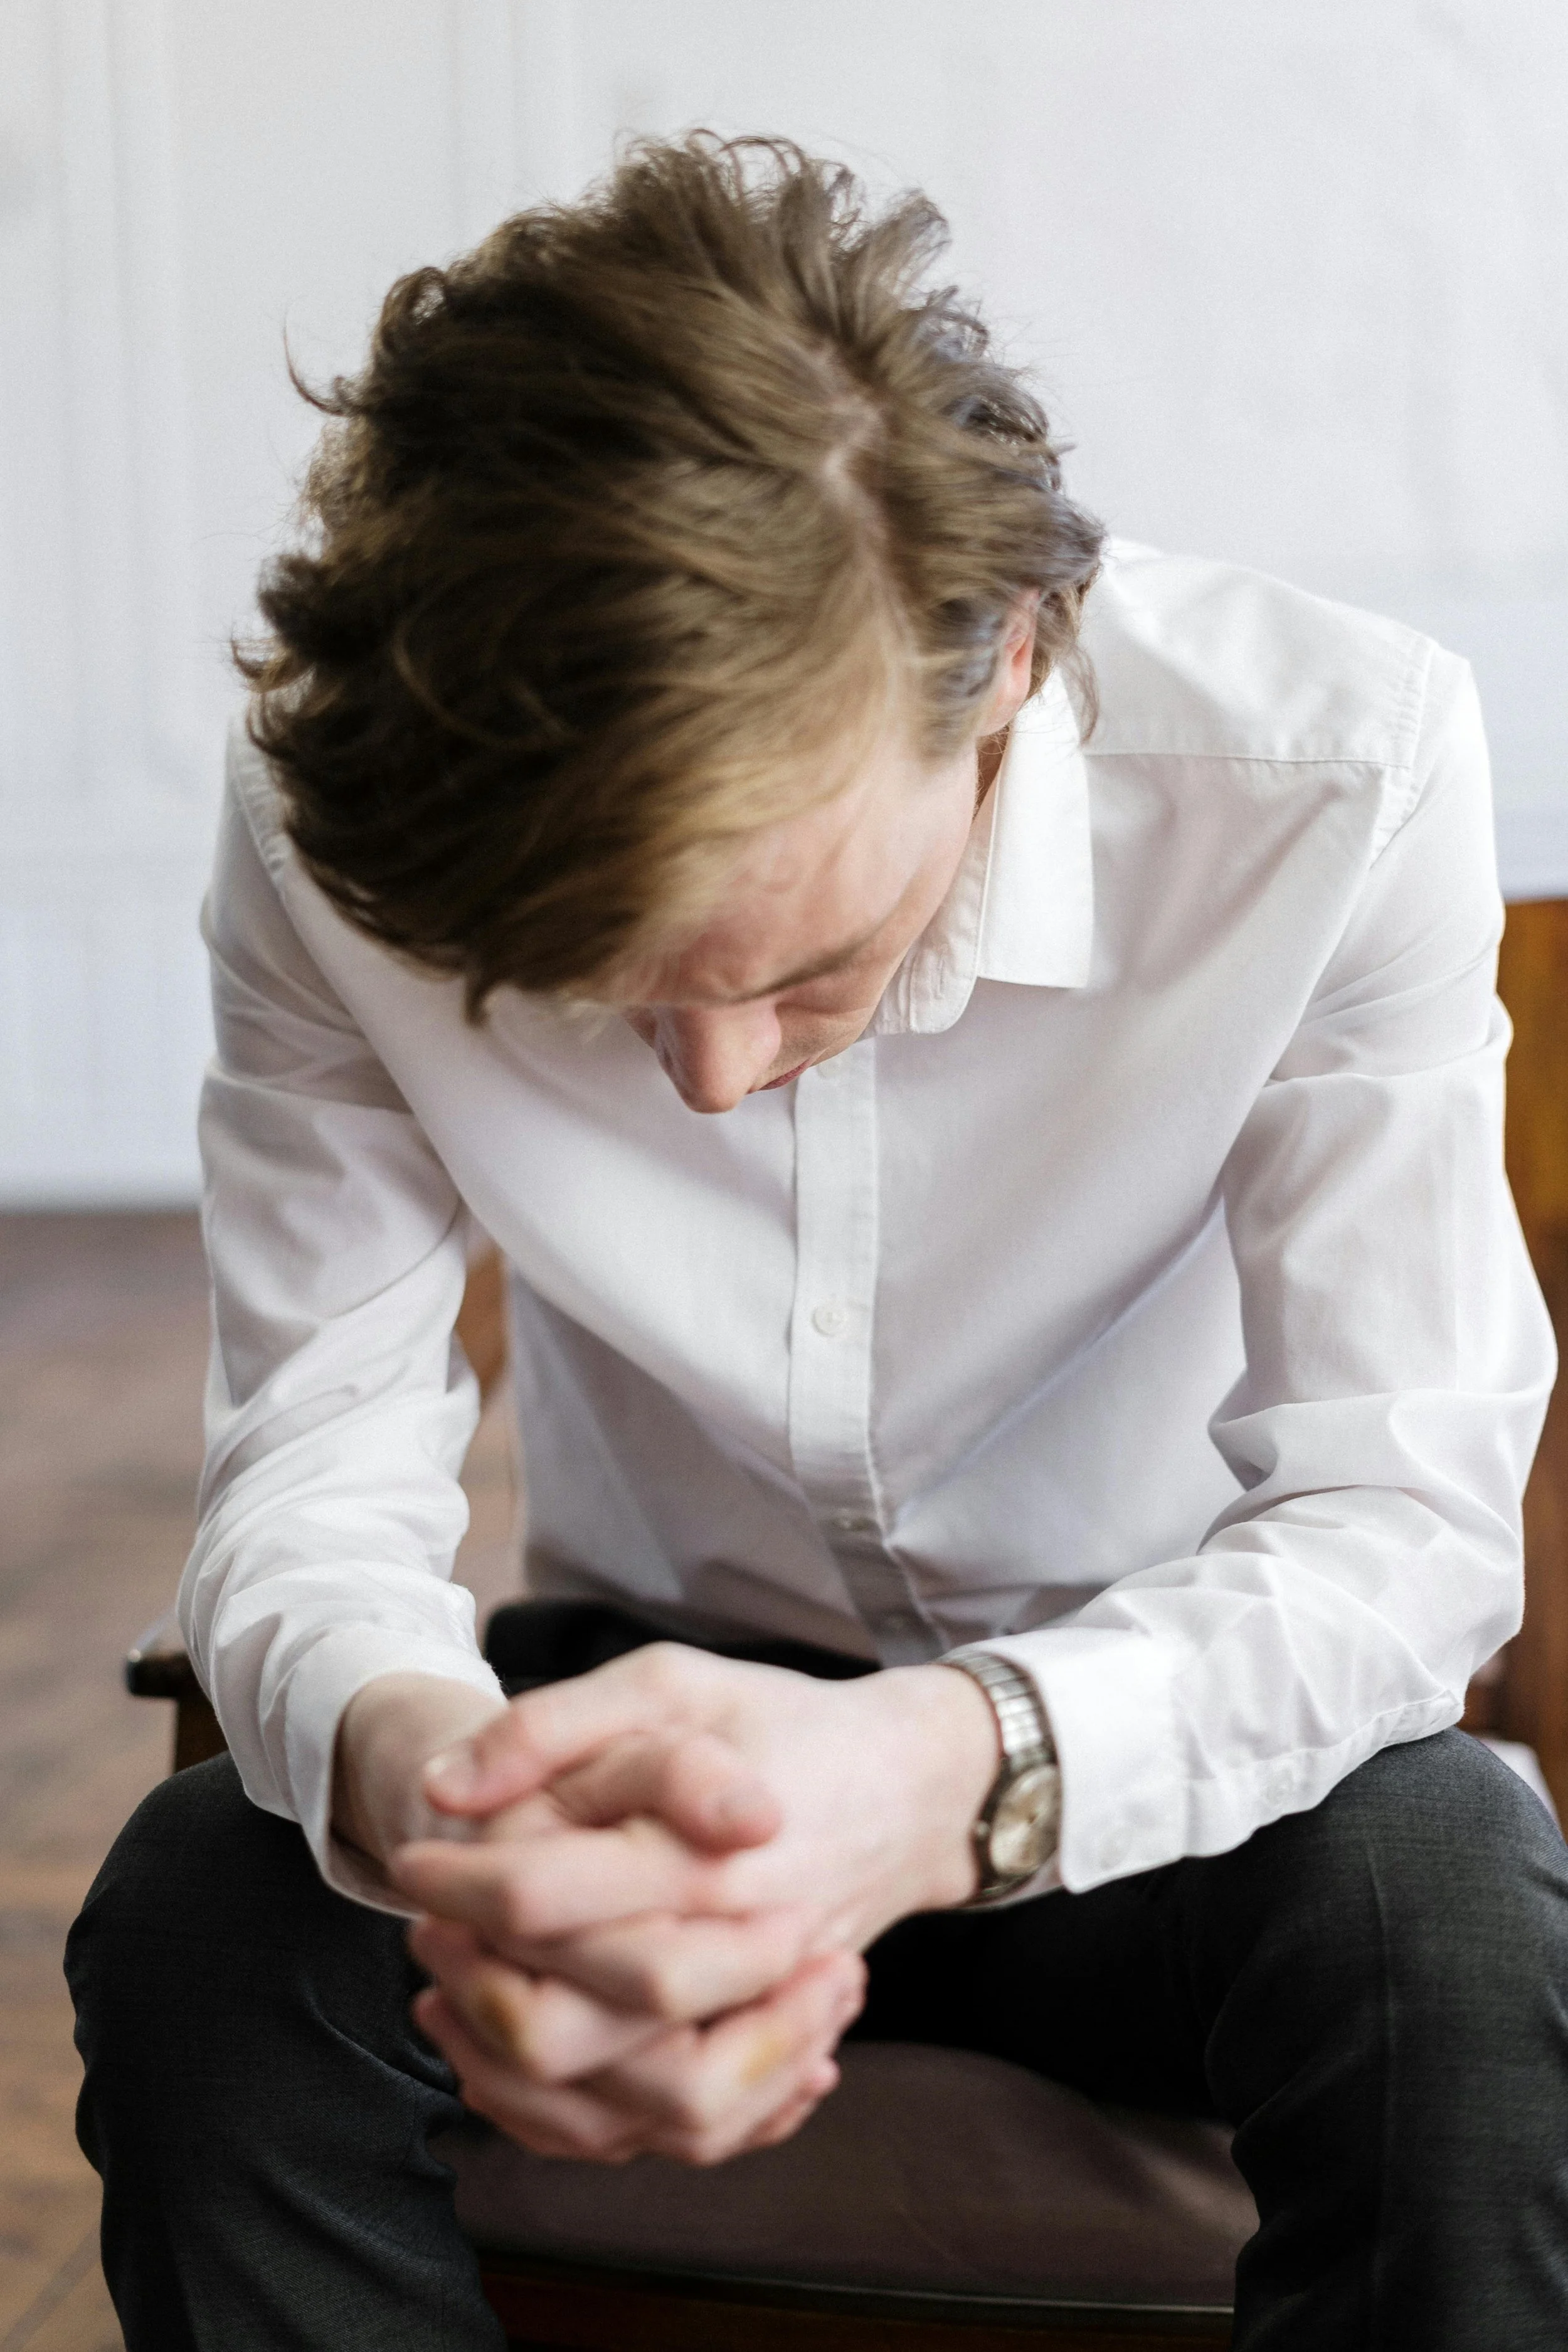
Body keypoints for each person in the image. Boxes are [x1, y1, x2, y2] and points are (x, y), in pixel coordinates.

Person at [68, 134, 1565, 2351]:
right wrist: (427, 1784)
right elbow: (310, 1473)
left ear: (1011, 670)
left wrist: (942, 1772)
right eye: (596, 992)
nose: (699, 1081)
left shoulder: (1334, 781)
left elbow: (1403, 1527)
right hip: (624, 1700)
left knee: (1445, 1894)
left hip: (1165, 1741)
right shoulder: (330, 829)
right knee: (206, 1908)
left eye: (810, 958)